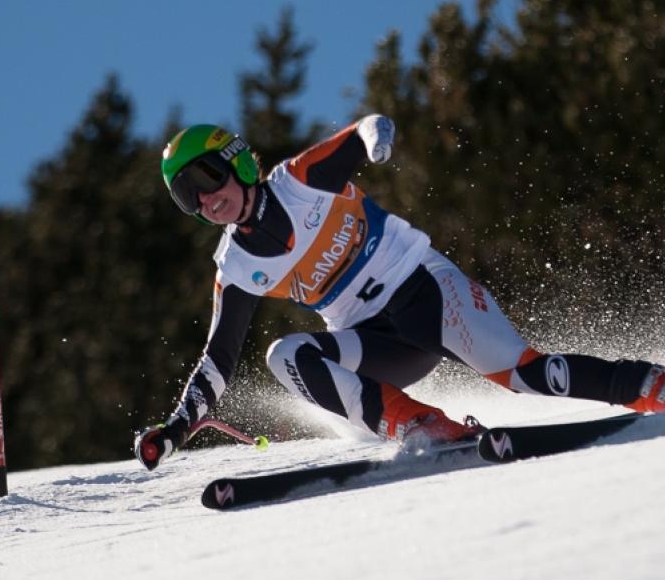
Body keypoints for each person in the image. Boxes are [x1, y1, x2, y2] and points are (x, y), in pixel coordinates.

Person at [134, 117, 665, 470]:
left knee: (524, 375)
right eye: (187, 195)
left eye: (206, 177)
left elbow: (365, 128)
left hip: (426, 292)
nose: (206, 199)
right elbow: (219, 357)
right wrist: (179, 426)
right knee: (287, 355)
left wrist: (376, 140)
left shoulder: (301, 182)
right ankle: (421, 425)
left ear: (238, 162)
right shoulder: (236, 265)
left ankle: (648, 385)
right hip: (376, 342)